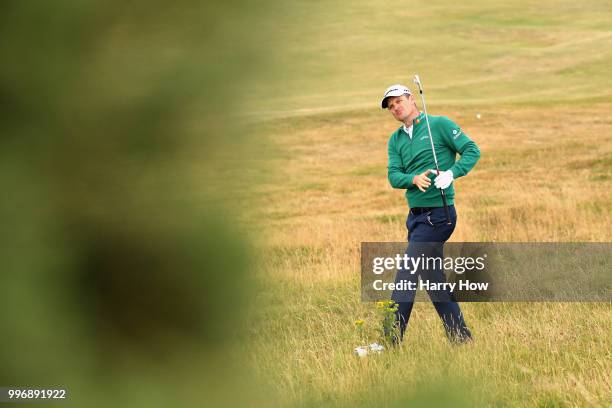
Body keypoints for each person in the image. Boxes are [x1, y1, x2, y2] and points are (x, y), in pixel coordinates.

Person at [381, 84, 480, 344]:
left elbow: (472, 150)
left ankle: (389, 341)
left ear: (412, 99)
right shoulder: (396, 140)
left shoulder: (439, 124)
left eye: (399, 101)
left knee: (406, 273)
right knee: (434, 280)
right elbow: (393, 176)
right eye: (391, 106)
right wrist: (412, 179)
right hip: (415, 218)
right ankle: (461, 338)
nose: (395, 108)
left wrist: (451, 174)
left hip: (439, 216)